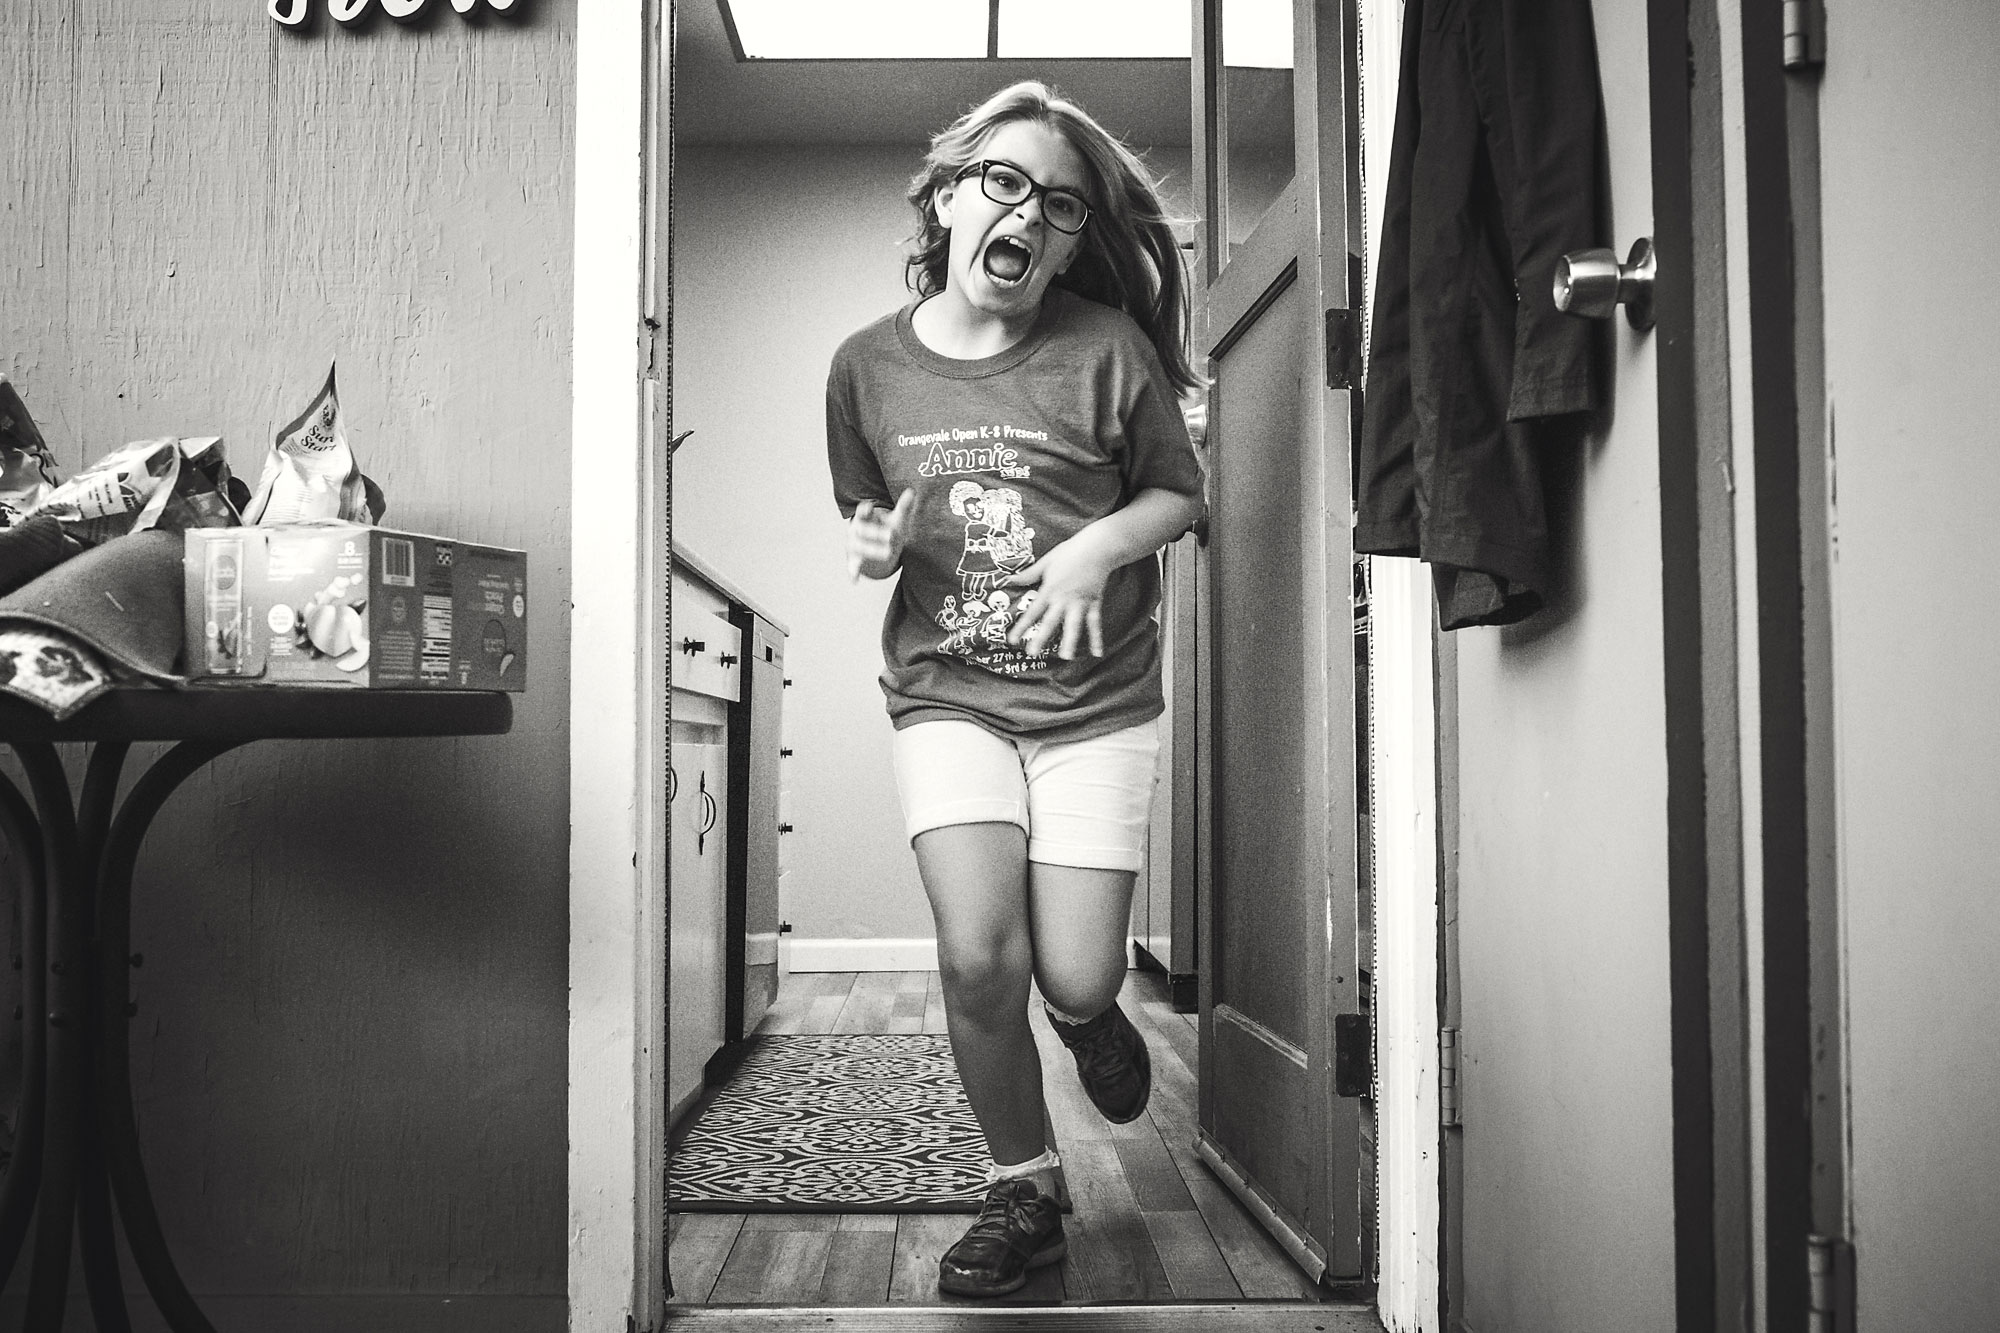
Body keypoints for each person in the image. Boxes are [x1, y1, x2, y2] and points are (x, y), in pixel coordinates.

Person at [825, 80, 1205, 1298]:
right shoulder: (864, 368)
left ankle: (1091, 1019)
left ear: (1071, 242)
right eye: (1002, 184)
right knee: (979, 953)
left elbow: (1176, 495)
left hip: (1096, 705)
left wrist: (1099, 545)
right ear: (944, 199)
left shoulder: (1106, 353)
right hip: (948, 693)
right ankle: (1024, 1189)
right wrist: (874, 545)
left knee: (1076, 974)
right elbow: (864, 509)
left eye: (1058, 206)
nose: (1028, 216)